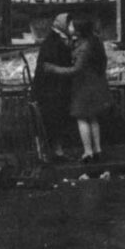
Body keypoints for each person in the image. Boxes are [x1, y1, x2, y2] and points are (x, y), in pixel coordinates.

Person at [46, 16, 111, 163]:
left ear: (79, 30)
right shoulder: (94, 41)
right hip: (95, 83)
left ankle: (88, 152)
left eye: (72, 26)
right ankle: (97, 150)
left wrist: (53, 68)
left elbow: (76, 69)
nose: (69, 28)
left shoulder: (84, 47)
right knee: (93, 117)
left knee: (82, 118)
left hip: (83, 86)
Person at [32, 12, 73, 161]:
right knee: (52, 119)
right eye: (70, 24)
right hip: (50, 89)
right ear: (63, 25)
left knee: (57, 119)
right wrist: (69, 71)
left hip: (56, 87)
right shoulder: (53, 41)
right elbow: (48, 66)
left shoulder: (62, 39)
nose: (72, 27)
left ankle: (56, 151)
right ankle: (54, 152)